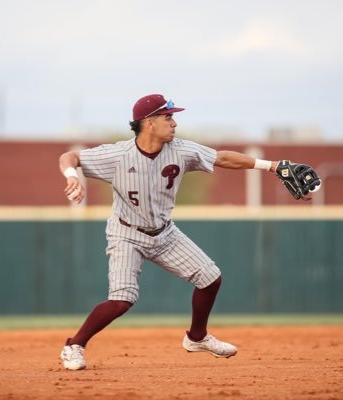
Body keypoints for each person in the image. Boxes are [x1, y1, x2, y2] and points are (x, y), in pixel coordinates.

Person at [58, 94, 278, 370]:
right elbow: (71, 156)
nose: (174, 123)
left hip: (164, 233)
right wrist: (71, 176)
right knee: (122, 300)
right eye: (168, 117)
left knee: (210, 278)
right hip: (127, 233)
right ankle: (74, 345)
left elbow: (221, 158)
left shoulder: (181, 150)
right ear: (148, 123)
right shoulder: (118, 155)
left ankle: (197, 338)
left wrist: (272, 166)